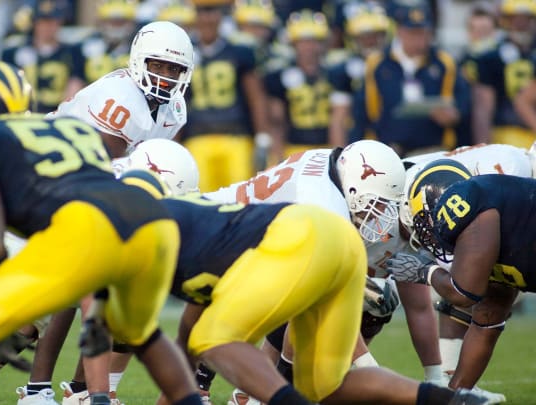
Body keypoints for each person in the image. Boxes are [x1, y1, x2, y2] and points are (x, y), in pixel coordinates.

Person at [0, 60, 203, 405]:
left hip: (11, 234)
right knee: (98, 306)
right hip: (9, 236)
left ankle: (64, 392)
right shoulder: (82, 139)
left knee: (73, 301)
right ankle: (63, 392)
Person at [143, 169, 490, 405]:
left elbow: (192, 340)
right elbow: (185, 345)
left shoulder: (141, 234)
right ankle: (450, 400)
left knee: (216, 338)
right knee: (326, 386)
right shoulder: (178, 224)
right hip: (336, 241)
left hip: (301, 238)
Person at [387, 158, 536, 395]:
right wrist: (454, 396)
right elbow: (487, 319)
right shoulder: (499, 229)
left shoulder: (469, 200)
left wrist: (424, 272)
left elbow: (463, 293)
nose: (423, 231)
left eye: (422, 221)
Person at [51, 20, 194, 158]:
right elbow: (107, 168)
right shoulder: (120, 97)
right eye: (157, 66)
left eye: (174, 68)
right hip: (53, 152)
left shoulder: (175, 109)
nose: (166, 76)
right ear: (138, 63)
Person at [350, 1, 471, 156]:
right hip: (389, 150)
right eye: (413, 32)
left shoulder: (444, 63)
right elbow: (365, 111)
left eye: (423, 32)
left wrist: (455, 114)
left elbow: (463, 102)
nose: (419, 39)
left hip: (433, 150)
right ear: (400, 31)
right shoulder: (377, 63)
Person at [179, 0, 272, 192]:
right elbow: (176, 99)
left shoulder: (240, 51)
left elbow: (256, 97)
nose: (207, 18)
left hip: (236, 136)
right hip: (197, 137)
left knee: (240, 197)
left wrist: (262, 136)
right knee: (201, 198)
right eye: (202, 12)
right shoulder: (183, 52)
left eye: (211, 11)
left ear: (221, 15)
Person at [263, 10, 333, 158]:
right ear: (294, 44)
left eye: (314, 41)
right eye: (303, 42)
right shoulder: (279, 75)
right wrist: (277, 155)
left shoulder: (335, 73)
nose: (309, 47)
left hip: (327, 146)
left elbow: (340, 119)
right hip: (294, 148)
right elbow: (277, 120)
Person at [471, 0, 536, 148]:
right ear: (505, 20)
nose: (522, 25)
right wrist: (482, 145)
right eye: (516, 19)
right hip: (506, 134)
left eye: (526, 19)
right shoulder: (490, 57)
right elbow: (483, 107)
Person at [2, 0, 86, 113]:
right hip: (23, 113)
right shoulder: (14, 52)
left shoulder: (72, 53)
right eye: (42, 22)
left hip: (58, 114)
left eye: (51, 22)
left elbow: (74, 87)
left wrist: (61, 114)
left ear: (59, 22)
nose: (47, 27)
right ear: (34, 23)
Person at [328, 3, 391, 147]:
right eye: (365, 37)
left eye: (375, 36)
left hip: (391, 138)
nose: (371, 42)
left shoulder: (394, 66)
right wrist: (339, 153)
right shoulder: (344, 70)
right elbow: (339, 119)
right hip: (358, 141)